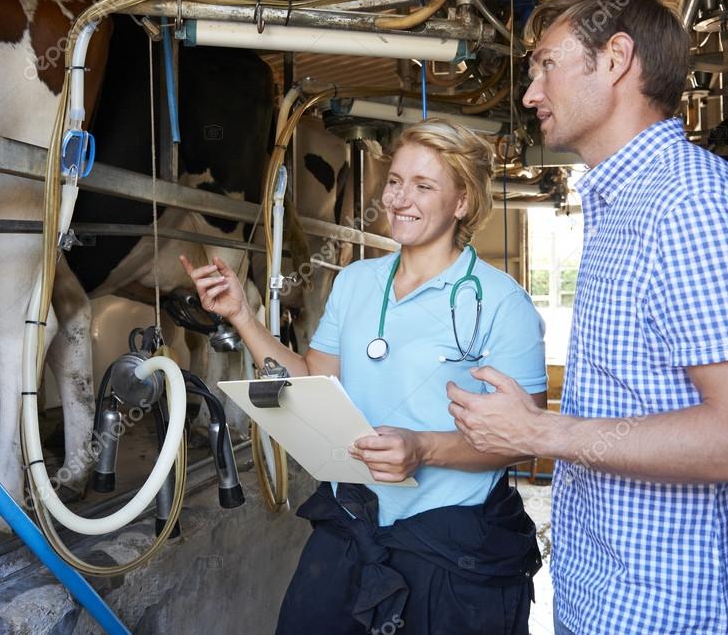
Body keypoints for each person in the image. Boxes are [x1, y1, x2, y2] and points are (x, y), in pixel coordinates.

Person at [448, 0, 728, 635]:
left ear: (614, 60)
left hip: (686, 614)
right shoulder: (622, 208)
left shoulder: (691, 205)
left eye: (544, 65)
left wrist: (539, 434)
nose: (529, 94)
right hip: (616, 600)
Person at [181, 119, 548, 634]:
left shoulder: (502, 302)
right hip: (353, 521)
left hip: (450, 543)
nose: (400, 199)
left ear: (462, 201)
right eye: (395, 181)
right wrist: (243, 316)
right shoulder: (355, 282)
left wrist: (424, 448)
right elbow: (311, 381)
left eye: (424, 186)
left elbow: (525, 439)